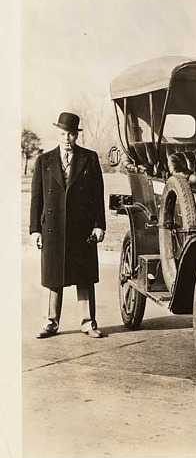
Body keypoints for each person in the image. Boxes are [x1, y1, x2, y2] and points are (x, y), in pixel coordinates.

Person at [29, 112, 106, 339]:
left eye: (71, 134)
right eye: (63, 134)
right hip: (52, 228)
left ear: (76, 135)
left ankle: (88, 323)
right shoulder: (44, 161)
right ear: (57, 134)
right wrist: (34, 229)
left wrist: (99, 225)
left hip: (82, 229)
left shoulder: (89, 158)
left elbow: (97, 195)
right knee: (53, 276)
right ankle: (50, 322)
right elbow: (37, 199)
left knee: (84, 276)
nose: (67, 138)